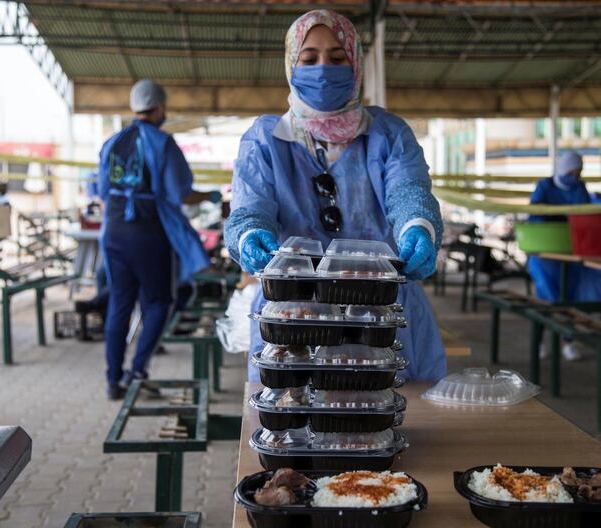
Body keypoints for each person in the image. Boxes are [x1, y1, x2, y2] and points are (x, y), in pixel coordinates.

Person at [224, 10, 445, 381]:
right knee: (292, 419)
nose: (323, 69)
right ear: (291, 66)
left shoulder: (388, 133)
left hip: (382, 314)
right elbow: (250, 206)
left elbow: (408, 189)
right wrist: (249, 234)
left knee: (391, 420)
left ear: (355, 63)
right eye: (309, 59)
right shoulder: (264, 140)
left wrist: (418, 227)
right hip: (294, 320)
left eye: (337, 58)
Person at [98, 79, 221, 399]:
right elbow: (181, 193)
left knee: (120, 303)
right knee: (159, 302)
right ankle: (136, 371)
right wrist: (211, 194)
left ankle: (113, 379)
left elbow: (101, 191)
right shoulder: (163, 143)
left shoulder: (112, 143)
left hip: (112, 232)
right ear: (161, 107)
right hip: (148, 233)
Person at [527, 150, 601, 361]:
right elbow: (535, 214)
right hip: (545, 256)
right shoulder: (544, 187)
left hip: (571, 252)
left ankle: (568, 341)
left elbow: (585, 215)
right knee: (546, 301)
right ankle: (539, 343)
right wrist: (559, 216)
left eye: (578, 173)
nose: (575, 177)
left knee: (569, 301)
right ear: (563, 169)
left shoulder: (579, 188)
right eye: (572, 172)